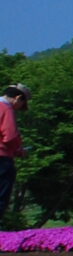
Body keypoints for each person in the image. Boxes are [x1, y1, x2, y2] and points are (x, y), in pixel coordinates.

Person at [0, 84, 26, 222]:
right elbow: (9, 136)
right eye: (21, 104)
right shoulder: (6, 109)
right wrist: (18, 149)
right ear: (17, 98)